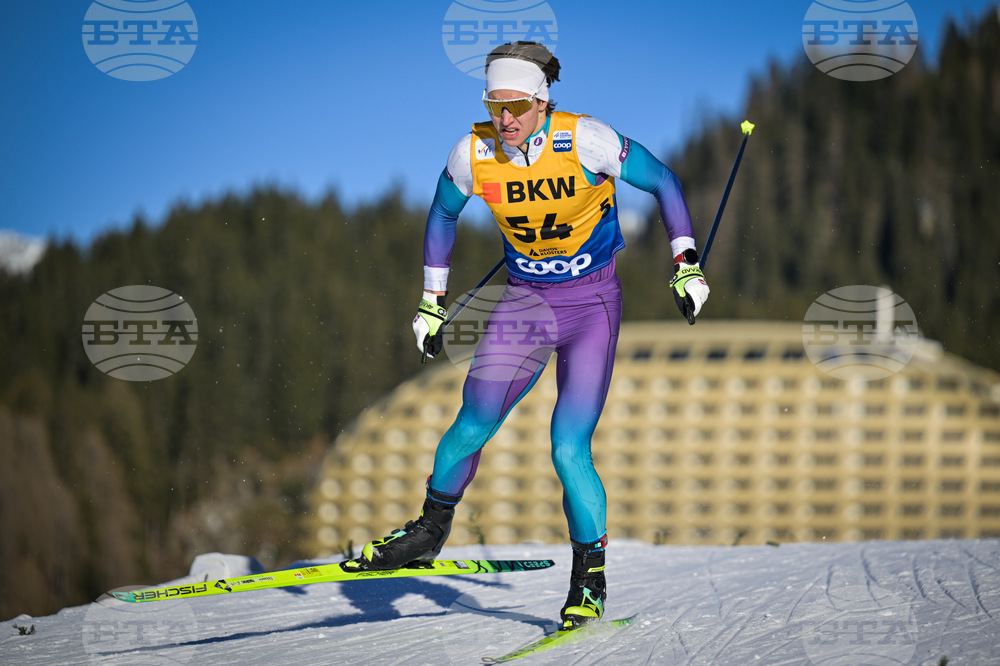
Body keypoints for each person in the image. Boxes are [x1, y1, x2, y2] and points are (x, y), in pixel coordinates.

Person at [346, 41, 709, 629]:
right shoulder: (473, 153)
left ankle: (589, 580)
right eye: (495, 105)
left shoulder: (586, 138)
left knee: (568, 448)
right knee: (471, 423)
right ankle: (428, 530)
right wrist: (431, 302)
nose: (505, 119)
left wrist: (685, 260)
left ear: (542, 101)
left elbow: (664, 180)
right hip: (524, 305)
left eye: (516, 105)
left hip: (592, 304)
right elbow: (441, 214)